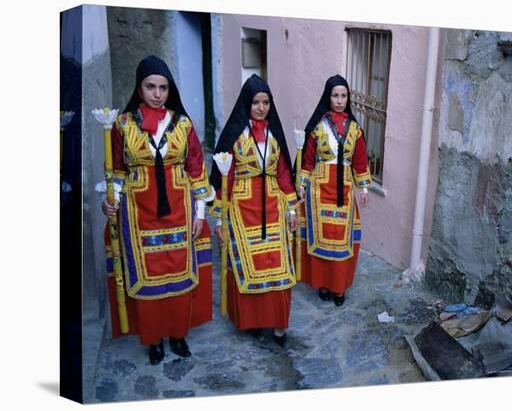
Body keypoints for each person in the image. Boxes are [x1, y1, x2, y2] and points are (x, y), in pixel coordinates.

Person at [98, 55, 215, 365]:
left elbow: (195, 169)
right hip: (138, 214)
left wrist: (201, 214)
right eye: (150, 86)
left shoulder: (183, 124)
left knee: (178, 274)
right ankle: (153, 339)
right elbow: (118, 171)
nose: (157, 93)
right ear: (139, 88)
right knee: (147, 279)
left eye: (163, 87)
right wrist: (110, 200)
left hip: (180, 210)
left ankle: (177, 334)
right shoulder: (122, 125)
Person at [210, 74, 299, 347]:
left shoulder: (274, 134)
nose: (261, 108)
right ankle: (253, 321)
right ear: (246, 103)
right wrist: (218, 218)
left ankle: (279, 324)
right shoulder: (235, 136)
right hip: (242, 207)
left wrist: (292, 209)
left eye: (266, 102)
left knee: (279, 267)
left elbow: (284, 172)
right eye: (256, 102)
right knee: (248, 267)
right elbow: (226, 176)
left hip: (274, 205)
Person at [297, 74, 371, 306]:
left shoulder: (355, 130)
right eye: (335, 95)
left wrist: (365, 188)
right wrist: (302, 183)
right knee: (322, 239)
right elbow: (308, 160)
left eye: (343, 96)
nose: (339, 100)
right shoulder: (318, 128)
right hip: (319, 191)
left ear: (348, 98)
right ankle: (324, 285)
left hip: (345, 190)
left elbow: (360, 160)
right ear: (328, 97)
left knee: (341, 239)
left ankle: (339, 288)